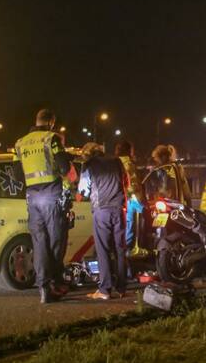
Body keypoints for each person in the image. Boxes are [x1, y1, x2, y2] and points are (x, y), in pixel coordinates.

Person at [14, 108, 72, 304]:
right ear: (51, 122)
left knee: (39, 243)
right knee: (56, 240)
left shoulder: (19, 143)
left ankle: (43, 287)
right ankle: (55, 282)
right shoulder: (51, 138)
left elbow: (16, 174)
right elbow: (64, 167)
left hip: (32, 198)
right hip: (51, 195)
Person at [77, 143, 128, 300]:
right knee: (120, 248)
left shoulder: (89, 165)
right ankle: (121, 288)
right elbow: (126, 182)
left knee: (103, 249)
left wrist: (79, 196)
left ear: (88, 154)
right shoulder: (117, 161)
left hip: (102, 210)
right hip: (119, 208)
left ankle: (105, 289)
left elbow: (83, 190)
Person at [115, 140, 144, 252]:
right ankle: (129, 250)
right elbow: (132, 185)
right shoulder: (128, 164)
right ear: (128, 151)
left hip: (119, 199)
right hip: (130, 199)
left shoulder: (114, 162)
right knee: (131, 224)